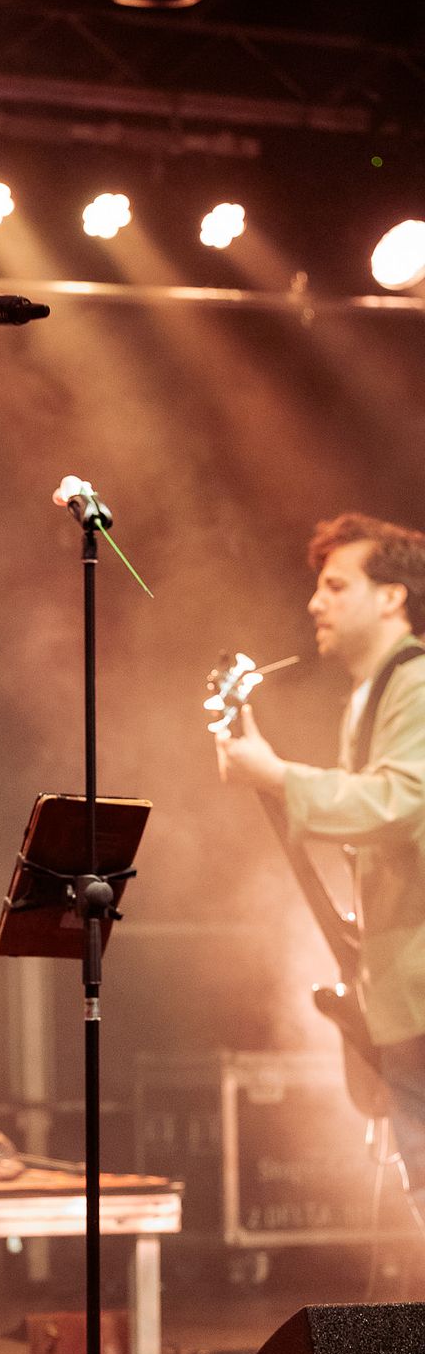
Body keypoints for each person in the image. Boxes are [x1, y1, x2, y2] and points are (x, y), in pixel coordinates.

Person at [217, 513, 425, 1235]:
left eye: (338, 586)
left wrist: (278, 777)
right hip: (402, 996)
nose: (315, 602)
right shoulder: (371, 696)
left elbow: (401, 802)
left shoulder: (417, 684)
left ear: (392, 597)